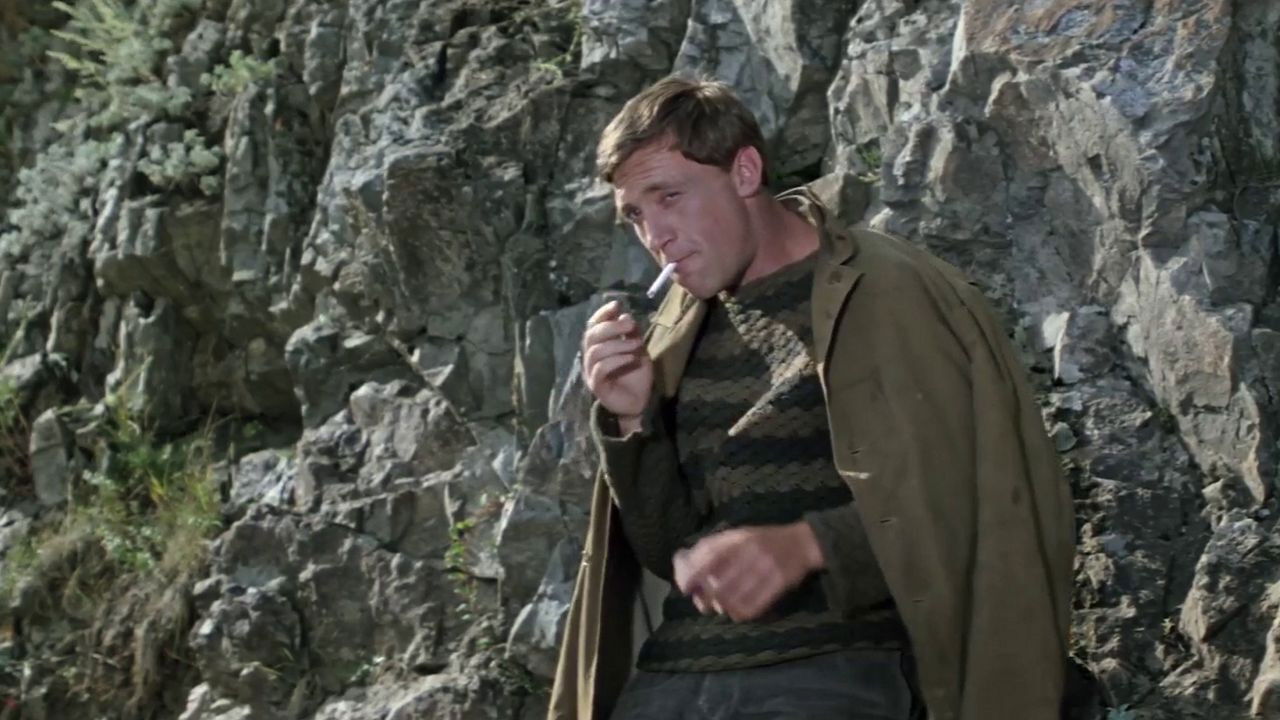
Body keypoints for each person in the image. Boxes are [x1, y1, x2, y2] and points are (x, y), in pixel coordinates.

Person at [548, 75, 1075, 720]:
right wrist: (634, 420)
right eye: (635, 214)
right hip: (674, 678)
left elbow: (974, 501)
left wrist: (806, 546)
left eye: (670, 197)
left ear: (745, 171)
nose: (656, 234)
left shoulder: (885, 290)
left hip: (835, 667)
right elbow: (671, 552)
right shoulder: (680, 329)